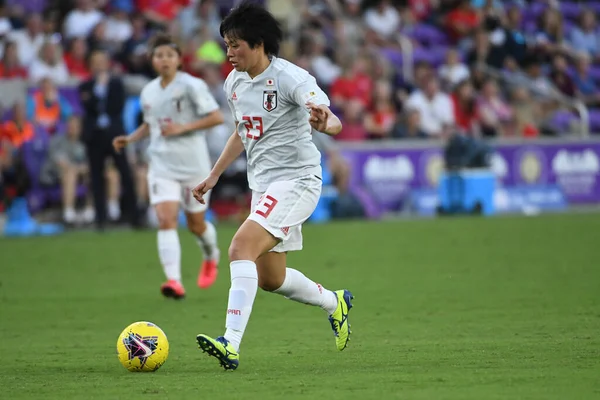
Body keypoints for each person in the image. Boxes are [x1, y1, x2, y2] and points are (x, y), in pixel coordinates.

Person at [191, 2, 353, 371]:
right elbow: (242, 132)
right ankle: (335, 302)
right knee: (271, 279)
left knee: (239, 247)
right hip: (264, 187)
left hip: (297, 181)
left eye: (235, 45)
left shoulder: (290, 78)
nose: (228, 52)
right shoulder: (234, 83)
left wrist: (324, 122)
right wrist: (214, 175)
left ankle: (230, 342)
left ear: (259, 43)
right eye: (227, 45)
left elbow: (332, 120)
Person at [112, 33, 224, 298]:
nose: (164, 60)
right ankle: (174, 281)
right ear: (152, 60)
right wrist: (130, 138)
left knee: (196, 224)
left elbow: (216, 117)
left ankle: (211, 255)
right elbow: (151, 124)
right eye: (159, 55)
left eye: (169, 55)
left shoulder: (192, 86)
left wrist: (183, 127)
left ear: (179, 60)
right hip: (162, 163)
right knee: (165, 219)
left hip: (193, 164)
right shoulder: (148, 91)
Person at [79, 49, 140, 230]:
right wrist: (98, 90)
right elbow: (87, 106)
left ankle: (134, 216)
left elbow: (116, 107)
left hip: (114, 136)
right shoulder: (86, 86)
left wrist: (101, 92)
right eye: (95, 61)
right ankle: (101, 218)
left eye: (101, 61)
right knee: (96, 177)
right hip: (94, 137)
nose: (99, 65)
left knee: (125, 174)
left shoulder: (116, 84)